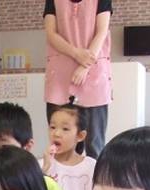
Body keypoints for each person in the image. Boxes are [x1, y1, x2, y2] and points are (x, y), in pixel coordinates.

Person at [43, 0, 112, 158]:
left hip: (94, 76)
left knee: (95, 144)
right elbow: (51, 34)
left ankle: (96, 181)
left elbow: (102, 32)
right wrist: (76, 53)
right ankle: (60, 182)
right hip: (60, 77)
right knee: (61, 142)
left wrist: (85, 66)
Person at [42, 101, 96, 190]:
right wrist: (45, 168)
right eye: (52, 127)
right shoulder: (42, 165)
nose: (56, 133)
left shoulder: (91, 165)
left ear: (80, 136)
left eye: (65, 129)